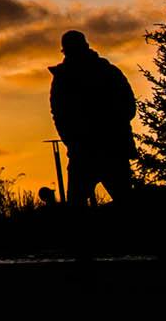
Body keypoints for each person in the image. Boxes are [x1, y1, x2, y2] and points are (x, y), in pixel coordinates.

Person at [48, 30, 137, 204]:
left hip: (95, 150)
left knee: (79, 204)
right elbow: (59, 114)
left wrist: (73, 141)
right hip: (100, 149)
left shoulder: (64, 78)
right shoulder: (108, 72)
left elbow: (59, 114)